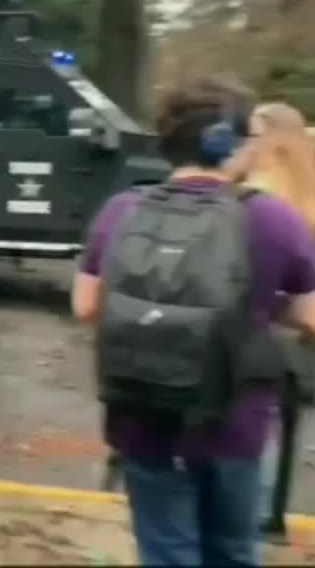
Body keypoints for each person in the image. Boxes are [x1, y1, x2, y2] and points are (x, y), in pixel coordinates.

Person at [73, 75, 315, 565]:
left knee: (165, 552)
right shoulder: (273, 219)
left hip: (142, 416)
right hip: (234, 422)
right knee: (231, 551)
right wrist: (266, 304)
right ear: (229, 143)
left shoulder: (122, 209)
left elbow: (86, 306)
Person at [224, 116, 315, 541]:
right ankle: (268, 518)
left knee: (256, 428)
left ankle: (256, 520)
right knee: (278, 427)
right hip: (293, 343)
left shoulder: (259, 202)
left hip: (262, 337)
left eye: (255, 132)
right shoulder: (305, 199)